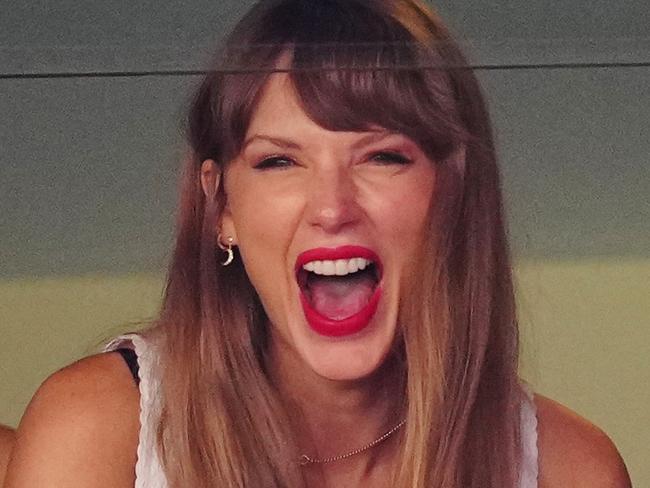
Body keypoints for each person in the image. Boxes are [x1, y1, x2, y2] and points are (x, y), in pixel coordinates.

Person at [5, 1, 631, 487]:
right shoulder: (97, 431)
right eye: (279, 162)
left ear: (453, 193)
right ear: (220, 206)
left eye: (383, 156)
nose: (332, 208)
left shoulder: (571, 469)